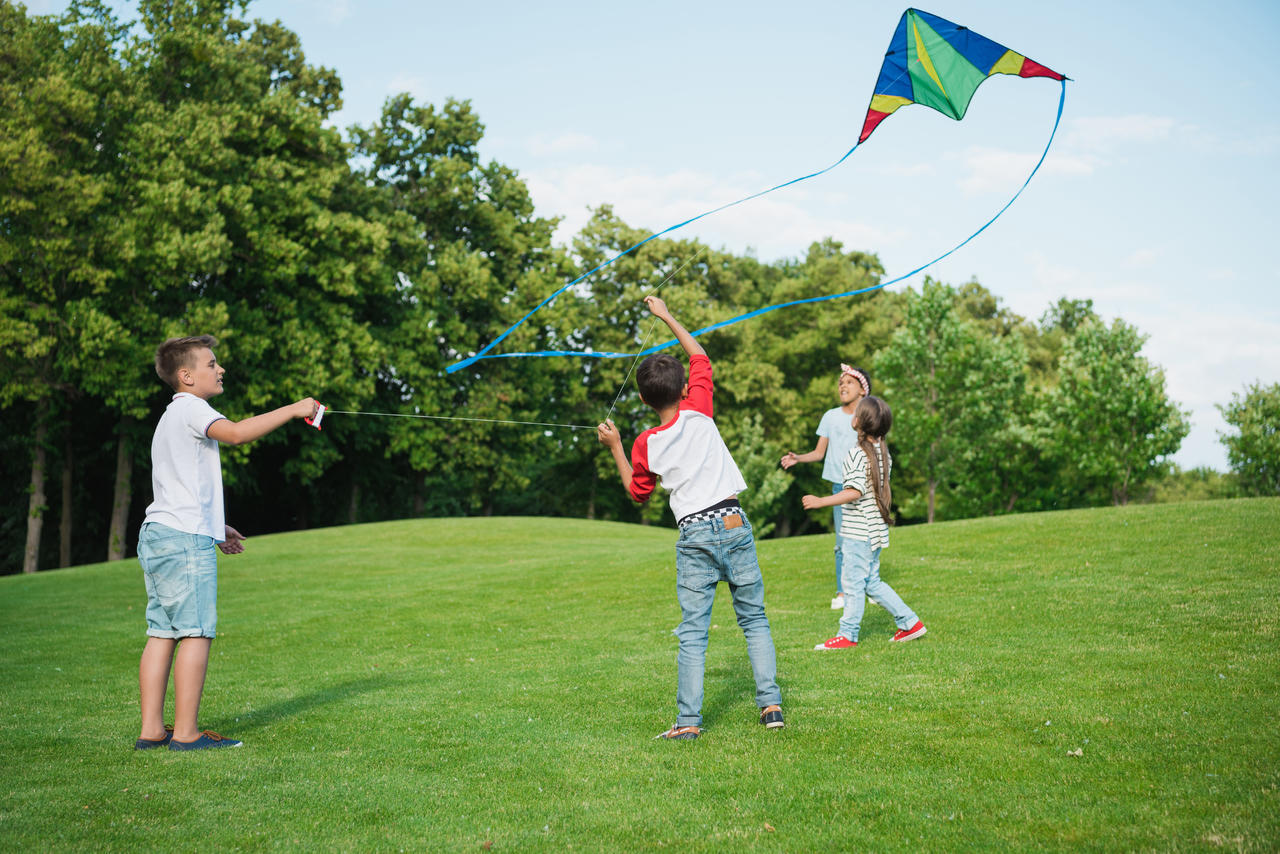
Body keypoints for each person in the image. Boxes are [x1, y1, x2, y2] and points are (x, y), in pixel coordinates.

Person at [597, 296, 783, 740]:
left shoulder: (645, 442)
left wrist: (617, 448)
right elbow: (700, 357)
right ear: (684, 390)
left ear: (643, 399)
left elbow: (637, 492)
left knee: (694, 633)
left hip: (694, 532)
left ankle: (688, 724)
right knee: (753, 619)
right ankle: (771, 707)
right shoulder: (699, 407)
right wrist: (665, 316)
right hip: (734, 520)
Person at [134, 335, 316, 751]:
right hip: (182, 538)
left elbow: (182, 486)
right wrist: (294, 409)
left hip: (159, 533)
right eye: (212, 363)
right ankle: (186, 734)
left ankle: (151, 732)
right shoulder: (194, 409)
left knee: (162, 632)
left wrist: (219, 526)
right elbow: (234, 434)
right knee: (196, 633)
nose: (221, 369)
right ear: (186, 375)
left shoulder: (168, 418)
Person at [800, 395, 926, 650]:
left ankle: (847, 635)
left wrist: (820, 501)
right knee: (871, 582)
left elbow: (855, 491)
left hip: (859, 532)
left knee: (853, 583)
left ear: (858, 421)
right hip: (875, 529)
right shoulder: (883, 453)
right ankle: (910, 622)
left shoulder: (857, 454)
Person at [781, 364, 873, 611]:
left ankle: (870, 586)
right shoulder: (830, 417)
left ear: (863, 390)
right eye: (840, 383)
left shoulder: (869, 417)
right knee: (843, 541)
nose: (842, 385)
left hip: (866, 487)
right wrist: (798, 458)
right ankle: (843, 592)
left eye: (849, 382)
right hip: (840, 487)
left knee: (869, 537)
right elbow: (819, 453)